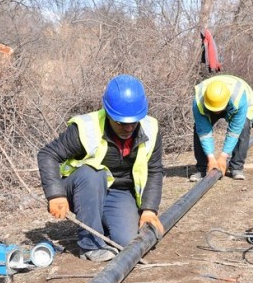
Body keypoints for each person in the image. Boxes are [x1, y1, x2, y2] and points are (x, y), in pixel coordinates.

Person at [37, 75, 165, 262]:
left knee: (128, 242)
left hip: (119, 192)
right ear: (108, 112)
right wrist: (55, 194)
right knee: (92, 174)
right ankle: (90, 245)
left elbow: (154, 170)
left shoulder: (151, 129)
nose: (128, 128)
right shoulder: (87, 129)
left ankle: (100, 221)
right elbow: (47, 154)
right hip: (82, 186)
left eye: (133, 121)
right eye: (121, 122)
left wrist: (149, 210)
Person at [189, 74, 253, 182]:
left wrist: (223, 156)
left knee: (243, 127)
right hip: (211, 103)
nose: (217, 112)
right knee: (198, 129)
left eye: (218, 109)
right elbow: (204, 132)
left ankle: (236, 167)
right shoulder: (198, 101)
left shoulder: (239, 99)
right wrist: (211, 157)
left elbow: (234, 131)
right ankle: (201, 168)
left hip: (242, 103)